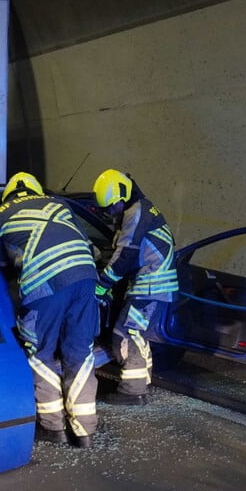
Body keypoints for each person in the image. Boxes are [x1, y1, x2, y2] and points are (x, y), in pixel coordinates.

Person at [0, 172, 100, 448]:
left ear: (8, 195)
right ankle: (85, 432)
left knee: (40, 353)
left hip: (44, 284)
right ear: (37, 190)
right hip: (85, 278)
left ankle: (53, 427)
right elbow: (91, 248)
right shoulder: (59, 203)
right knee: (80, 352)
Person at [91, 169, 178, 405]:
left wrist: (103, 285)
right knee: (134, 332)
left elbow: (126, 255)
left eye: (111, 207)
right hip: (152, 284)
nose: (109, 213)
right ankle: (142, 383)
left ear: (122, 196)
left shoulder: (136, 212)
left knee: (126, 333)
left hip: (151, 285)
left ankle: (132, 391)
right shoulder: (141, 208)